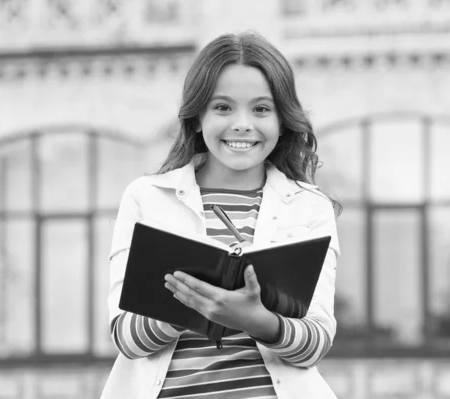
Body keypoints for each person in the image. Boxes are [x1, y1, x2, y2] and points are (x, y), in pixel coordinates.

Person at [101, 32, 341, 399]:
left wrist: (258, 321)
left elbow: (316, 342)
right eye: (223, 108)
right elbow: (126, 337)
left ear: (282, 120)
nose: (242, 124)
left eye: (261, 109)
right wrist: (192, 303)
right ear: (197, 118)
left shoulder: (310, 207)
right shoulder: (146, 199)